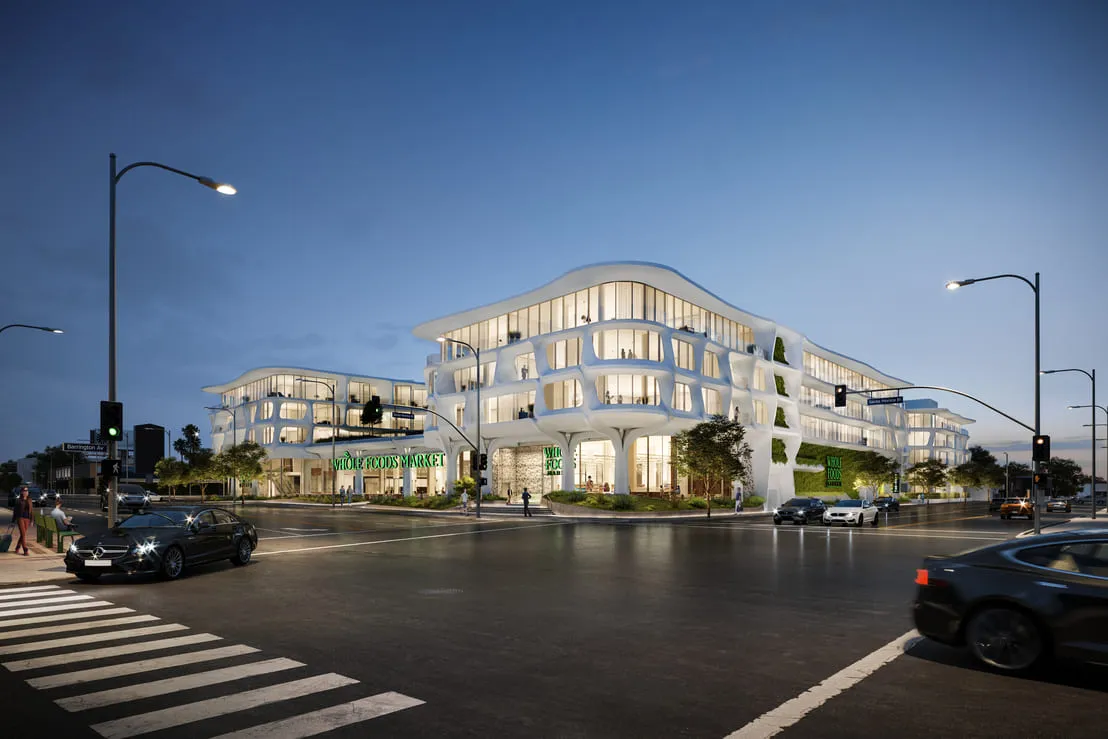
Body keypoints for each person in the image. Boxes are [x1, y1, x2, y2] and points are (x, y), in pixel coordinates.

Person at [10, 486, 33, 556]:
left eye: (27, 491)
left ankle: (17, 547)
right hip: (20, 518)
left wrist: (32, 520)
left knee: (23, 534)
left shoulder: (29, 500)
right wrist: (13, 521)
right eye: (24, 491)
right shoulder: (19, 500)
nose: (26, 492)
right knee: (23, 534)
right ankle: (25, 550)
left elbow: (31, 510)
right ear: (21, 492)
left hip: (27, 519)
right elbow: (15, 511)